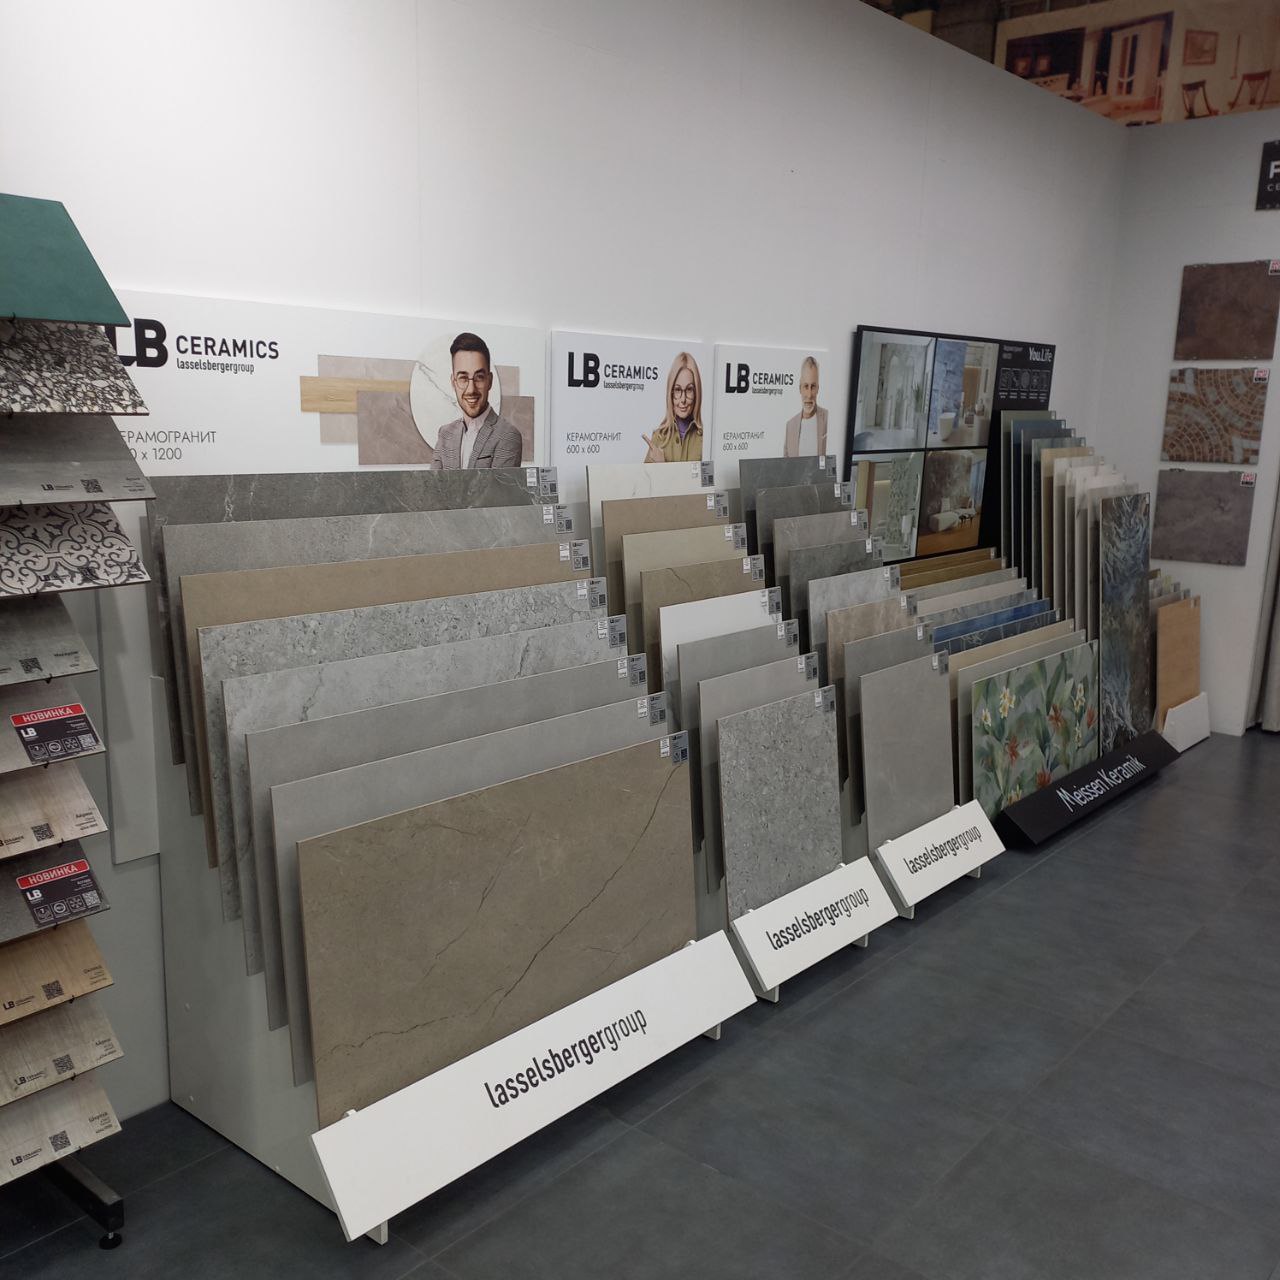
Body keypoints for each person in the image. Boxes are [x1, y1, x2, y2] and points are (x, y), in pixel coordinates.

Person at [433, 332, 525, 470]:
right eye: (463, 378)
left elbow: (498, 486)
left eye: (479, 377)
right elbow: (431, 483)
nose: (471, 389)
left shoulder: (508, 435)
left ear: (490, 381)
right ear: (453, 382)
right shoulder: (445, 434)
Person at [642, 352, 704, 462]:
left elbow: (713, 474)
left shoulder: (706, 437)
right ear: (670, 393)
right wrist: (659, 467)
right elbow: (644, 474)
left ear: (697, 393)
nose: (683, 399)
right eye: (678, 390)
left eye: (689, 389)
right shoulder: (659, 437)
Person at [784, 355, 827, 456]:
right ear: (800, 388)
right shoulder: (790, 426)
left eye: (813, 386)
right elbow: (785, 464)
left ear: (818, 389)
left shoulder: (828, 419)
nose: (809, 395)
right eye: (806, 386)